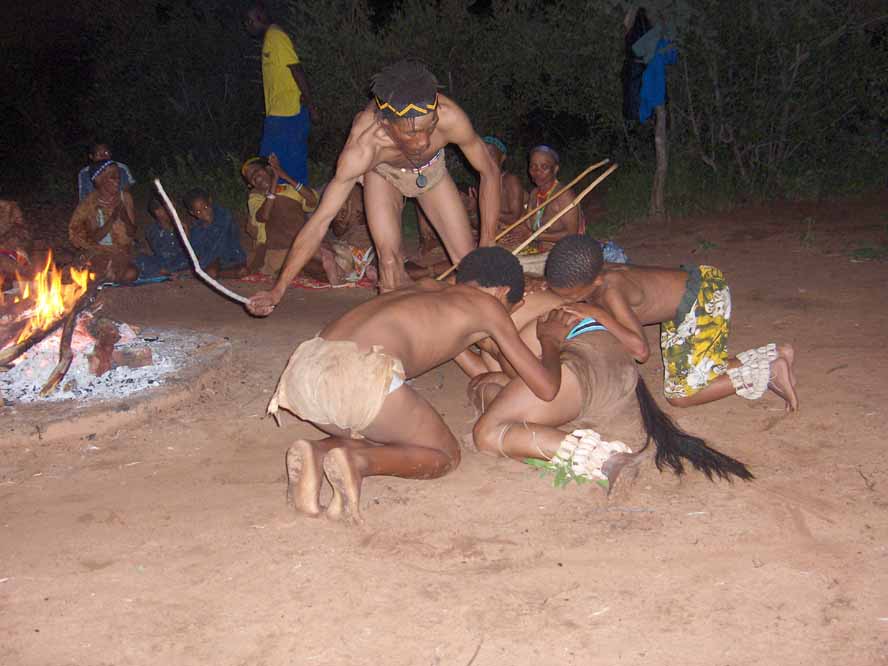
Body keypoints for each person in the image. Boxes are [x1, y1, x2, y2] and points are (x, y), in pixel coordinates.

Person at [267, 247, 567, 523]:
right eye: (510, 308)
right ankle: (356, 461)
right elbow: (546, 390)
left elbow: (446, 338)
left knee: (394, 431)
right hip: (353, 376)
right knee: (444, 454)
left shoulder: (429, 287)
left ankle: (317, 452)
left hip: (303, 371)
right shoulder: (490, 307)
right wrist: (550, 341)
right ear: (501, 292)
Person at [465, 237, 753, 488]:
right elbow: (502, 375)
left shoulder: (499, 322)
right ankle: (556, 443)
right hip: (610, 372)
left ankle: (601, 458)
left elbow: (547, 385)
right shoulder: (533, 293)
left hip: (601, 356)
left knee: (486, 433)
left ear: (499, 292)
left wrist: (560, 336)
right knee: (483, 387)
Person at [246, 59, 501, 315]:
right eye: (411, 133)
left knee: (470, 263)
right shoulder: (364, 147)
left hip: (431, 171)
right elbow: (319, 222)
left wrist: (488, 240)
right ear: (386, 126)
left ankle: (473, 322)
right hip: (382, 174)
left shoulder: (450, 117)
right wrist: (278, 290)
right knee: (389, 262)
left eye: (430, 126)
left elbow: (488, 170)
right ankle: (399, 333)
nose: (423, 140)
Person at [543, 234, 799, 411]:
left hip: (703, 300)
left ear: (595, 282)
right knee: (695, 371)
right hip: (687, 300)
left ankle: (769, 373)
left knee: (681, 395)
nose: (566, 301)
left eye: (570, 296)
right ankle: (775, 354)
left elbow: (640, 351)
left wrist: (597, 315)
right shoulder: (597, 274)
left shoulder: (610, 291)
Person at [243, 2, 317, 186]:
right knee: (275, 163)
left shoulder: (276, 37)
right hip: (278, 113)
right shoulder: (270, 39)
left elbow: (296, 69)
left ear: (259, 18)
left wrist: (311, 105)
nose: (247, 26)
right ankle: (280, 204)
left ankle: (300, 205)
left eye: (248, 21)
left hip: (289, 112)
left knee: (281, 162)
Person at [69, 160, 139, 282]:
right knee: (89, 272)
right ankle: (104, 274)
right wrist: (111, 220)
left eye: (118, 176)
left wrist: (125, 218)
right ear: (98, 180)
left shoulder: (125, 198)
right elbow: (92, 238)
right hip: (98, 251)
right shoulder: (89, 204)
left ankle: (107, 275)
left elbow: (132, 233)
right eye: (112, 176)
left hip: (120, 251)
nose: (117, 180)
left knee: (131, 273)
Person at [183, 188, 247, 278]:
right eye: (198, 211)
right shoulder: (197, 228)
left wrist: (200, 266)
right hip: (213, 261)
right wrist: (187, 237)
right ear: (192, 213)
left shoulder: (224, 217)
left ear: (210, 201)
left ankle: (208, 274)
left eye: (205, 207)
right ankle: (213, 274)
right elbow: (196, 251)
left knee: (243, 271)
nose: (204, 213)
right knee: (212, 269)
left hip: (231, 256)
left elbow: (220, 244)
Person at [134, 196, 190, 278]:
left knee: (191, 259)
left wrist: (186, 234)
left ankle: (167, 273)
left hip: (180, 259)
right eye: (170, 207)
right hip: (164, 262)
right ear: (158, 212)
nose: (174, 210)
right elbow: (163, 252)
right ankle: (171, 273)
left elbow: (188, 248)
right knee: (141, 259)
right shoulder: (152, 230)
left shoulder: (181, 225)